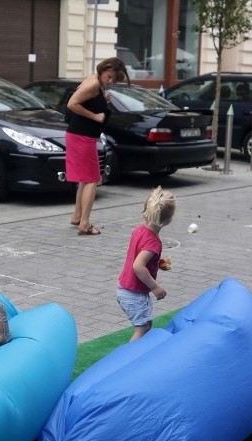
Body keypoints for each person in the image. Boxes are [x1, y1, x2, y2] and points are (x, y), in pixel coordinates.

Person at [66, 57, 128, 235]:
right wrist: (94, 116)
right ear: (103, 69)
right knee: (92, 179)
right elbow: (72, 104)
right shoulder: (93, 84)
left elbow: (86, 102)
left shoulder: (94, 81)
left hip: (79, 135)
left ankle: (77, 216)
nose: (109, 81)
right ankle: (84, 224)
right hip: (82, 137)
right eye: (109, 76)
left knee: (85, 179)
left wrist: (103, 101)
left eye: (113, 80)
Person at [116, 186, 176, 342]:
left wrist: (157, 263)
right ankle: (128, 358)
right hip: (133, 293)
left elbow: (138, 256)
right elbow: (138, 265)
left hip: (125, 289)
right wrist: (155, 287)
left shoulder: (140, 229)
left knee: (146, 324)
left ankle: (135, 356)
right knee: (142, 328)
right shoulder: (153, 243)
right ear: (169, 219)